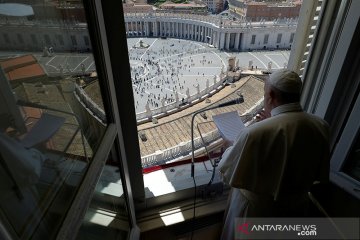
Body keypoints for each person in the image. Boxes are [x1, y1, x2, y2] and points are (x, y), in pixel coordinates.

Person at [218, 69, 330, 240]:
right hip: (297, 211)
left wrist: (229, 146)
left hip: (257, 213)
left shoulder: (253, 133)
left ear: (270, 94)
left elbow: (226, 173)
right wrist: (270, 121)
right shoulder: (321, 125)